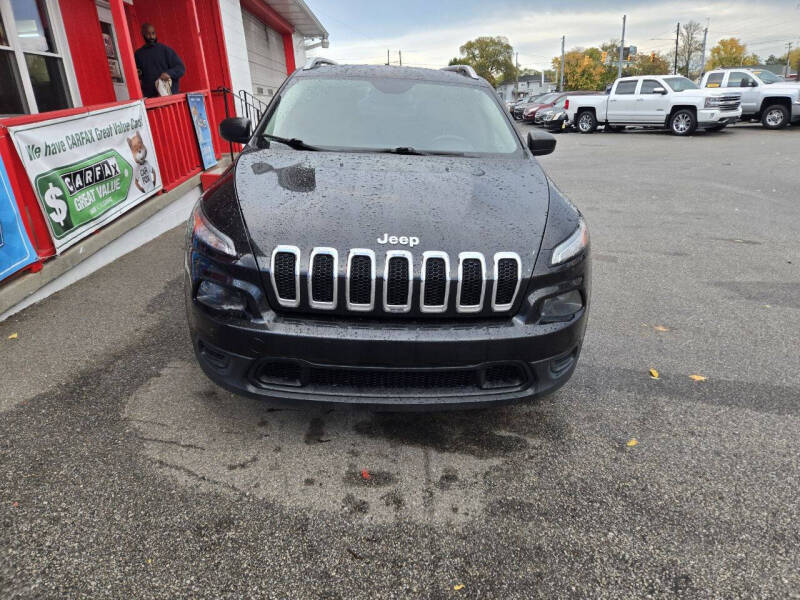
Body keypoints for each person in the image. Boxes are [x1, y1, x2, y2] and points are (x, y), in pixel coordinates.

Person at [134, 23, 185, 98]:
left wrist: (169, 73)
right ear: (143, 34)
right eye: (148, 34)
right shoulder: (138, 54)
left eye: (153, 33)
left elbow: (181, 68)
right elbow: (138, 74)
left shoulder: (165, 50)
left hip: (169, 95)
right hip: (151, 98)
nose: (151, 37)